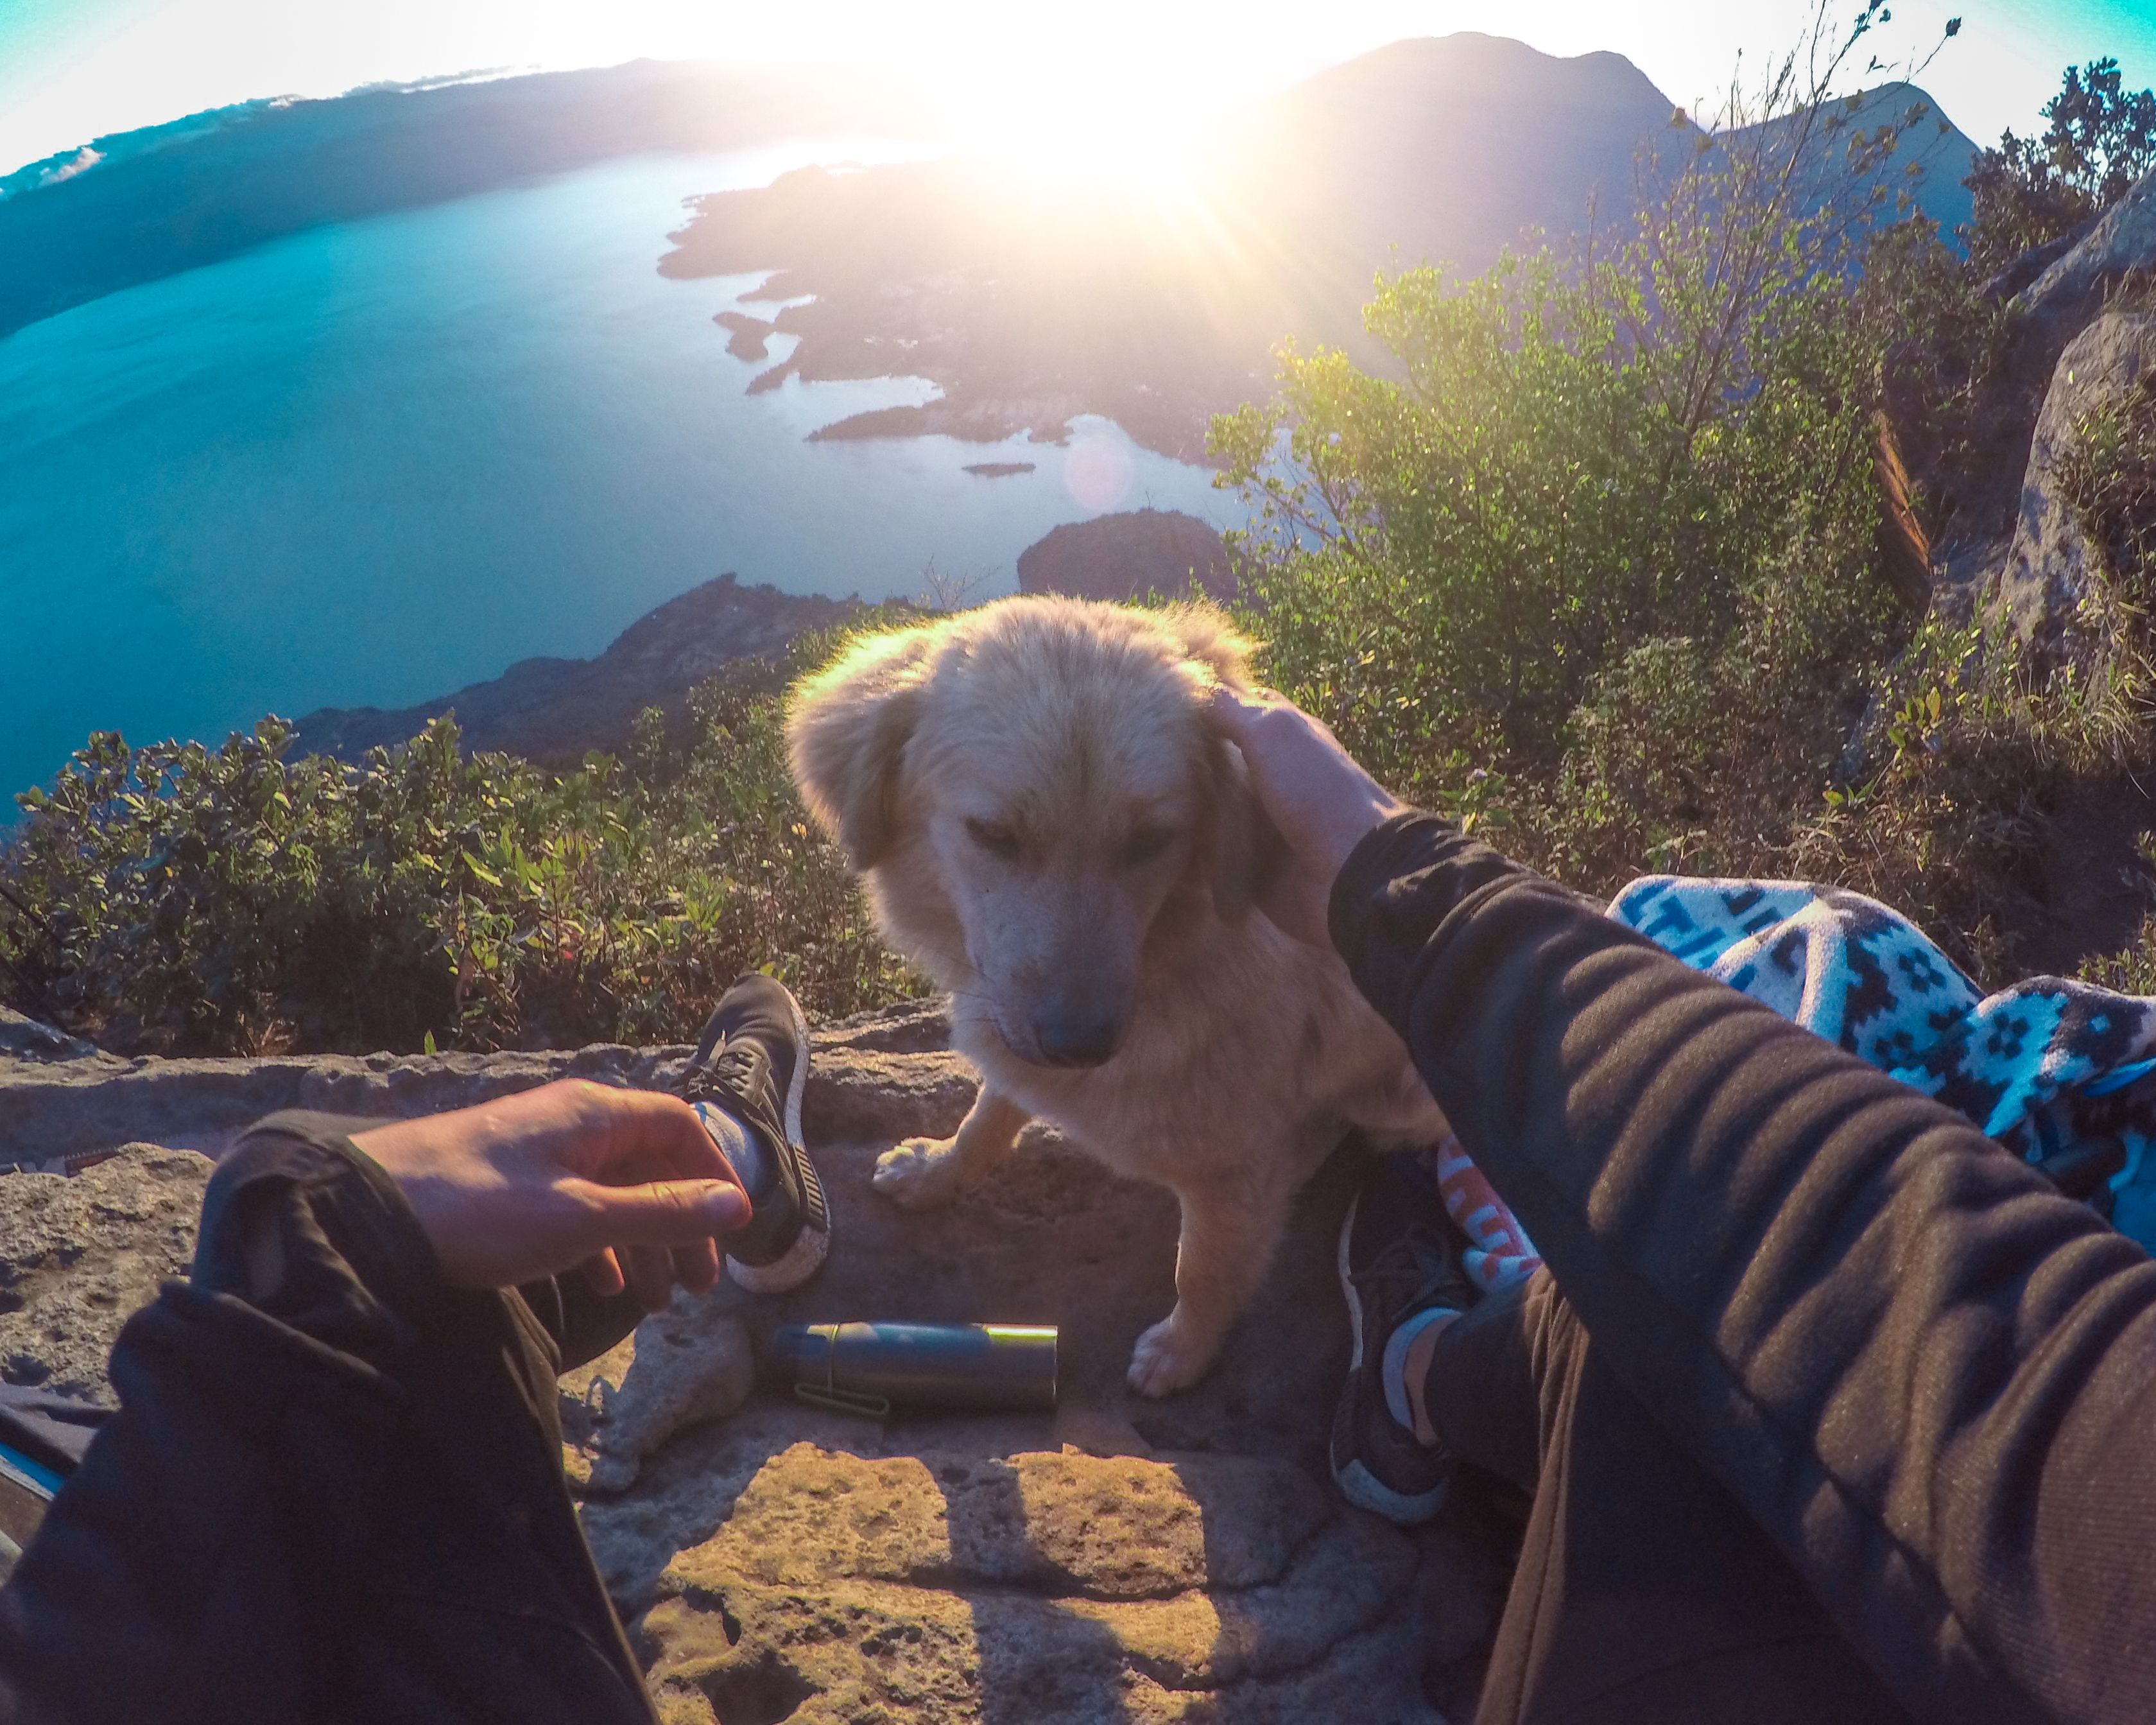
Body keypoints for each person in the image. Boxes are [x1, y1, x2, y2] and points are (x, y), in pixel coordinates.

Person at [2, 688, 2151, 1723]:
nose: (1068, 959)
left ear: (1199, 818)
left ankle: (1357, 1347)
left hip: (1362, 1122)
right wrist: (977, 1128)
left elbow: (1232, 1155)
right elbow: (1018, 1018)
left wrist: (1197, 1329)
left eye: (1132, 853)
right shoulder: (946, 874)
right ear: (891, 809)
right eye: (1001, 848)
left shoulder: (1196, 970)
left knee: (1239, 1184)